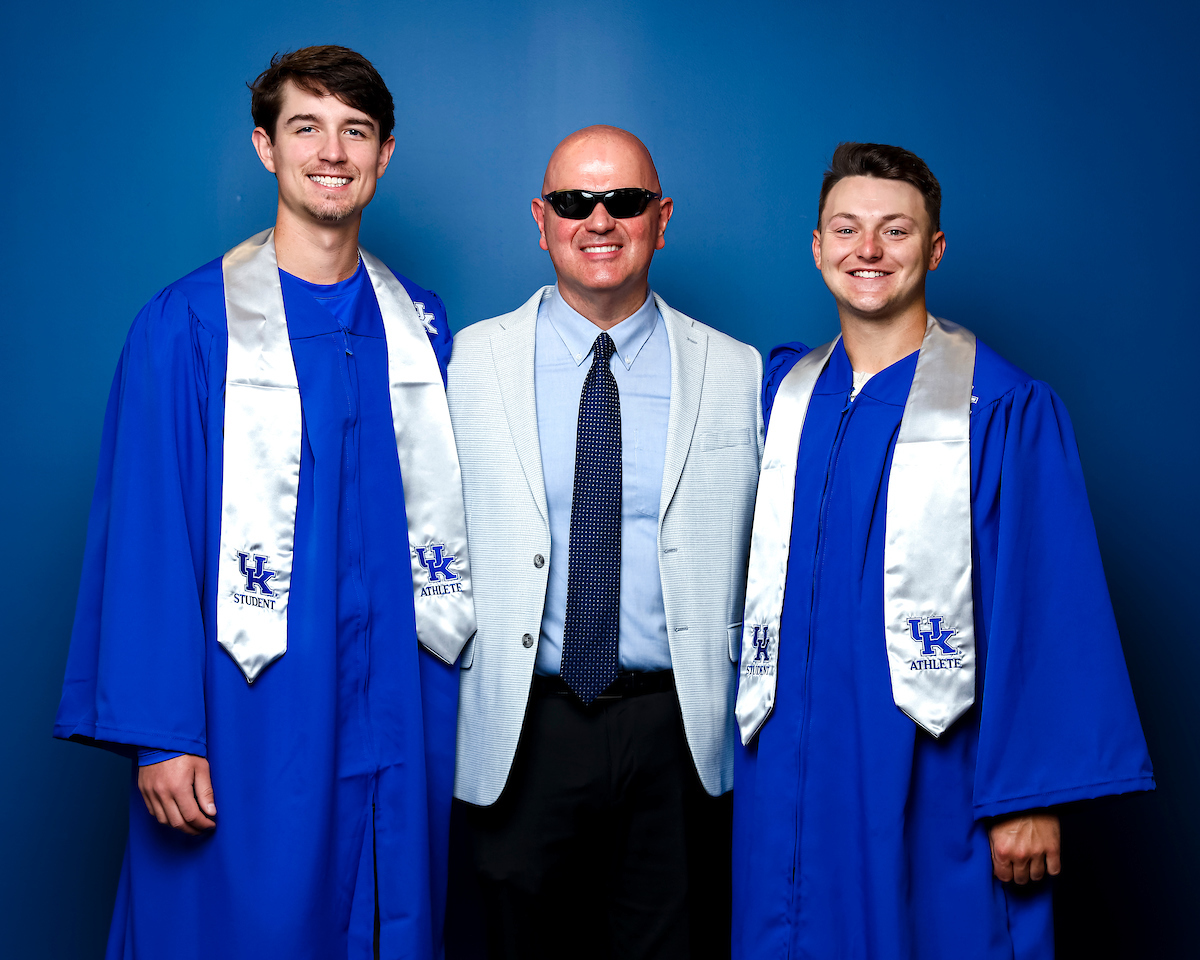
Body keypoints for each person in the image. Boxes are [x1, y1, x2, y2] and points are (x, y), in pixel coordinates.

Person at [53, 46, 474, 960]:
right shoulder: (187, 325)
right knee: (240, 924)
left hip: (400, 707)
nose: (333, 151)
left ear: (384, 155)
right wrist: (161, 734)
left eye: (355, 131)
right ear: (264, 147)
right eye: (306, 127)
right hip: (248, 713)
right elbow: (149, 536)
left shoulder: (421, 331)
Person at [730, 142, 1154, 959]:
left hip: (936, 771)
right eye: (847, 229)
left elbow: (1047, 597)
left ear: (934, 249)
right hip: (789, 766)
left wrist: (1029, 795)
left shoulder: (1000, 406)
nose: (868, 250)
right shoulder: (784, 398)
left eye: (895, 231)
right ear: (817, 246)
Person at [445, 126, 761, 960]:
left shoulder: (737, 373)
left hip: (676, 732)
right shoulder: (465, 363)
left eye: (623, 202)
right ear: (540, 220)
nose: (600, 220)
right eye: (575, 203)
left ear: (661, 218)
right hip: (524, 730)